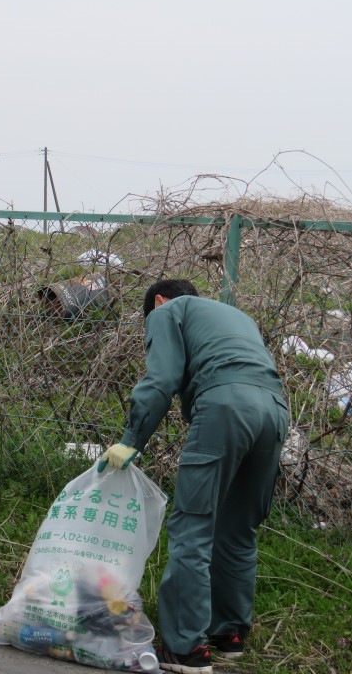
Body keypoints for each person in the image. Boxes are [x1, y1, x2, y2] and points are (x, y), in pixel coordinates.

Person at [98, 279, 288, 674]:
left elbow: (161, 378)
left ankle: (185, 649)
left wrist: (131, 440)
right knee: (238, 530)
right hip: (274, 411)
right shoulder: (235, 316)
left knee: (193, 527)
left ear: (160, 301)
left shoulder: (168, 311)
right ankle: (229, 634)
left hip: (225, 408)